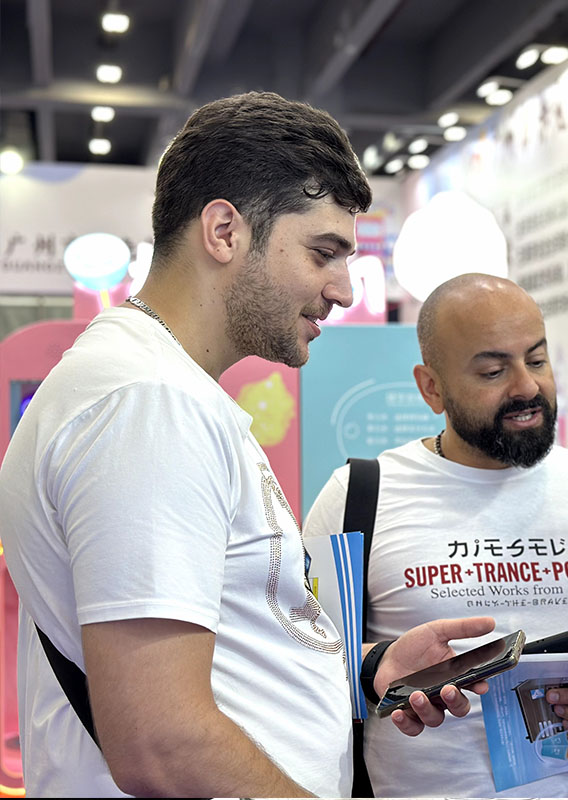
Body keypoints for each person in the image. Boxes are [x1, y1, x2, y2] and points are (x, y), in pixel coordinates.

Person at [0, 91, 495, 799]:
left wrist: (367, 670)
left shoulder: (156, 387)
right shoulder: (150, 403)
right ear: (225, 231)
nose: (343, 289)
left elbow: (218, 652)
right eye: (324, 253)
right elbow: (159, 741)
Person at [304, 273, 568, 797]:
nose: (526, 387)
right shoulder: (355, 497)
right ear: (431, 387)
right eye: (493, 371)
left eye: (536, 359)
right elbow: (300, 663)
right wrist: (379, 672)